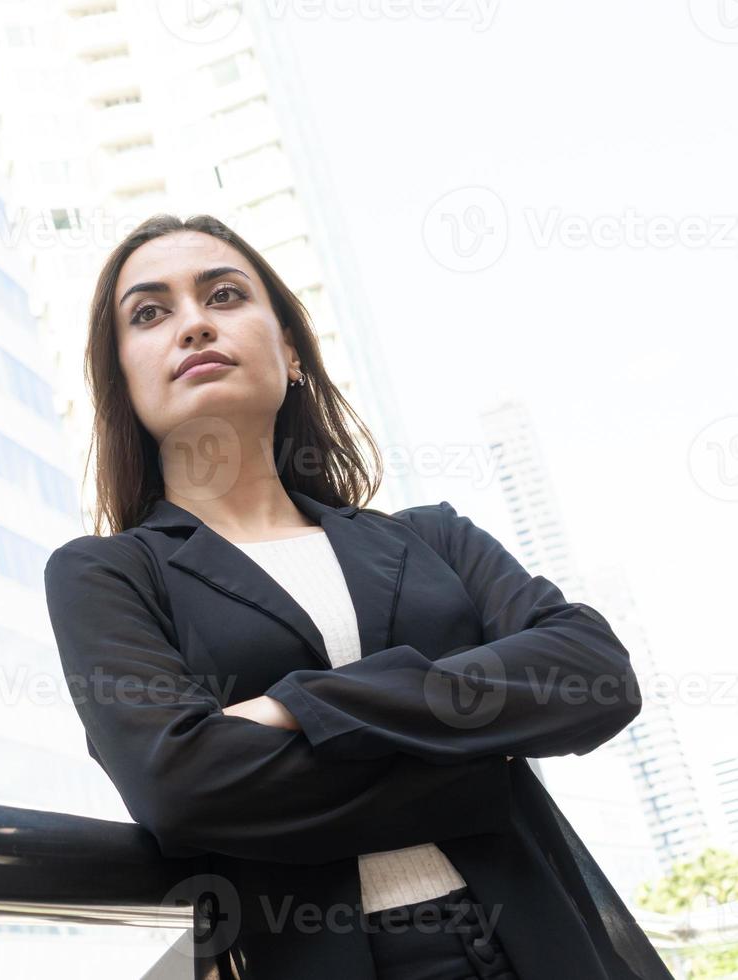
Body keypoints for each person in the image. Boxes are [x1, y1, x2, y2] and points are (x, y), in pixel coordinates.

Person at [43, 213, 674, 979]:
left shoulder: (431, 539)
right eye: (150, 313)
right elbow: (180, 787)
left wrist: (291, 708)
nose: (195, 324)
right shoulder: (106, 577)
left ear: (293, 354)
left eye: (225, 295)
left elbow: (592, 675)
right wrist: (478, 758)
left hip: (543, 946)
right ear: (125, 381)